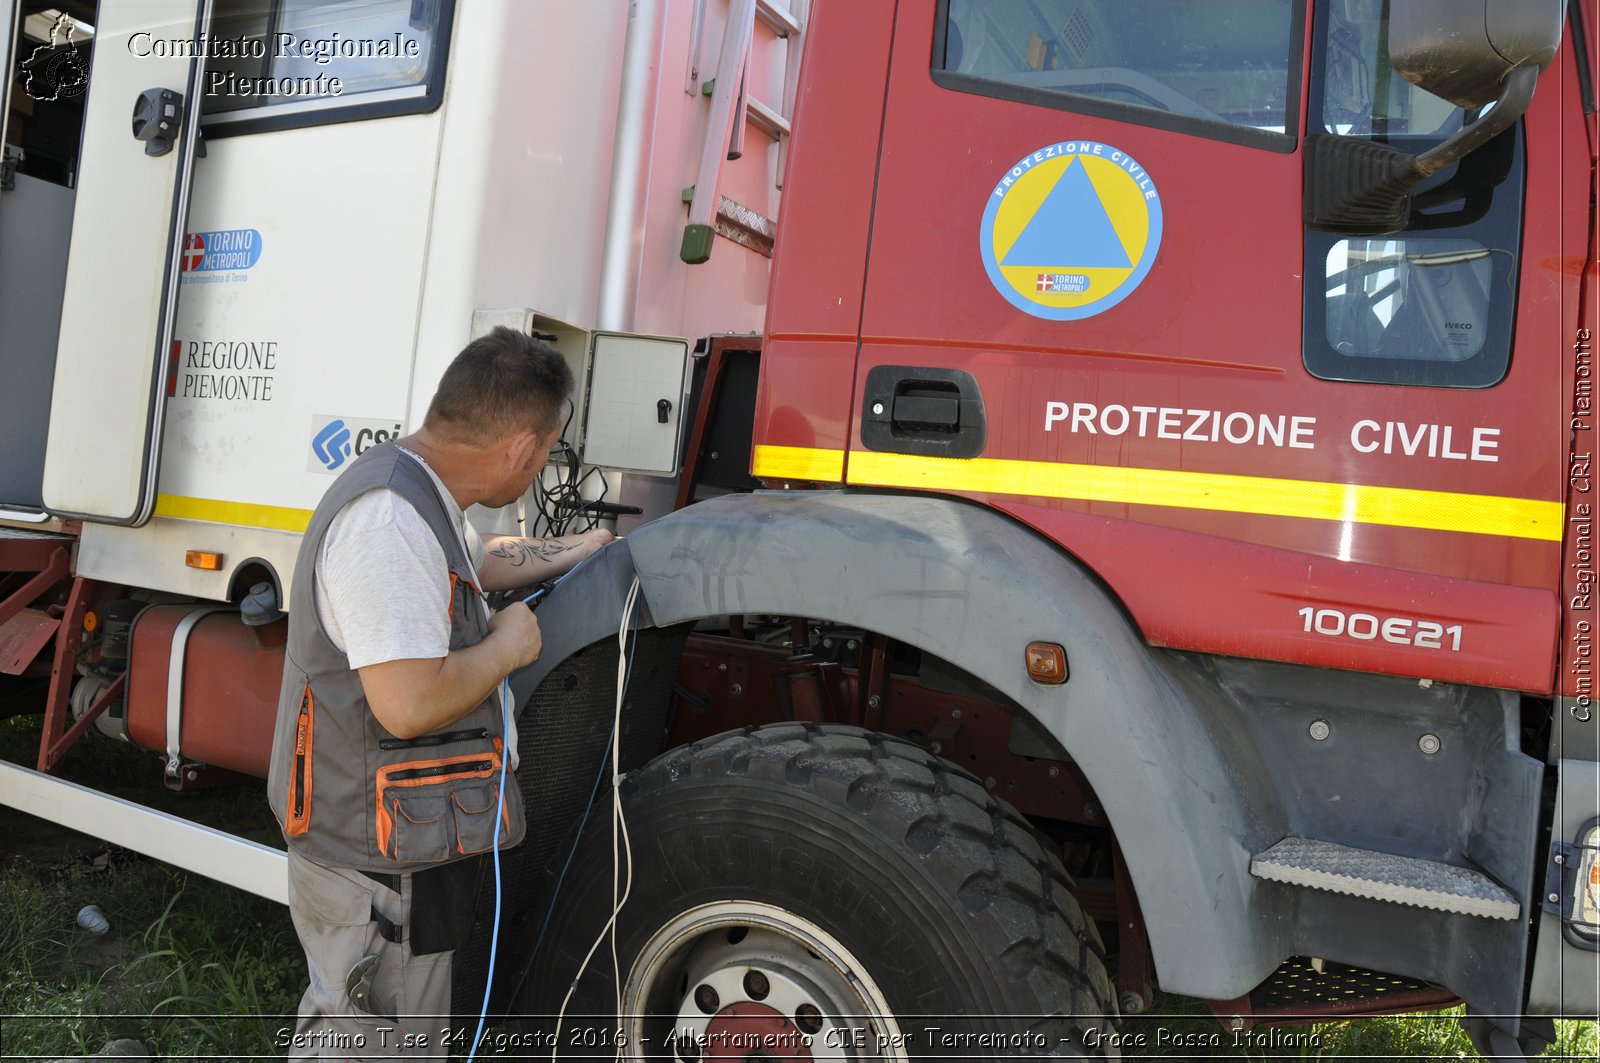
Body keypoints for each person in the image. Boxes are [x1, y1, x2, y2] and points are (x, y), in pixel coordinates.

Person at [267, 327, 614, 1058]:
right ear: (521, 447)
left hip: (400, 850)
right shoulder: (388, 523)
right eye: (548, 449)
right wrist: (507, 647)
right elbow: (408, 703)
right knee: (367, 1043)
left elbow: (474, 559)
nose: (544, 462)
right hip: (374, 873)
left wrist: (577, 549)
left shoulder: (419, 490)